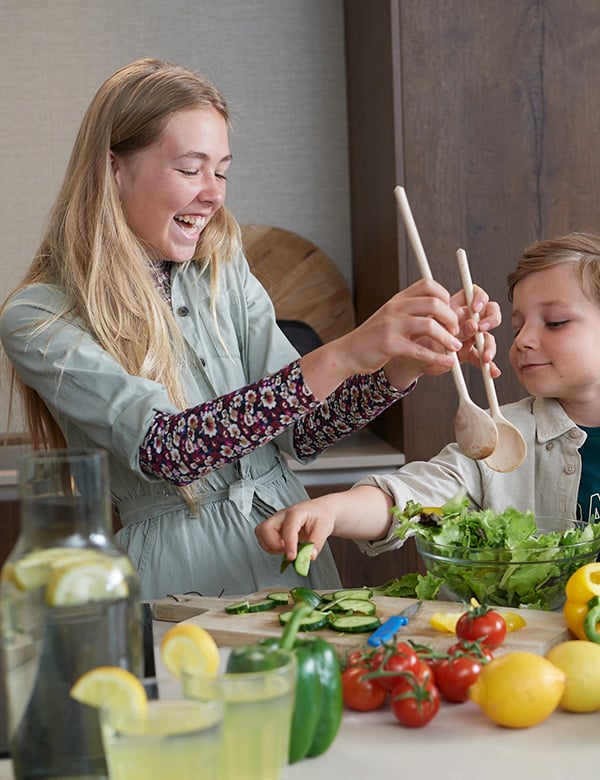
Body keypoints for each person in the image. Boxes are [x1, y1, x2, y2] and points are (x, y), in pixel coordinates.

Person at [0, 58, 500, 600]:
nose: (214, 193)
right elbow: (169, 450)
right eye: (191, 169)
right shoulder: (39, 317)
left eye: (222, 171)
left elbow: (300, 432)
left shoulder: (221, 265)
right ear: (114, 169)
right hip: (177, 576)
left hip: (288, 550)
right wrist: (351, 349)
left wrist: (401, 361)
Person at [256, 231, 600, 565]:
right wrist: (330, 510)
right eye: (517, 327)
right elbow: (413, 496)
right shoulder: (497, 440)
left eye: (555, 323)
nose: (524, 340)